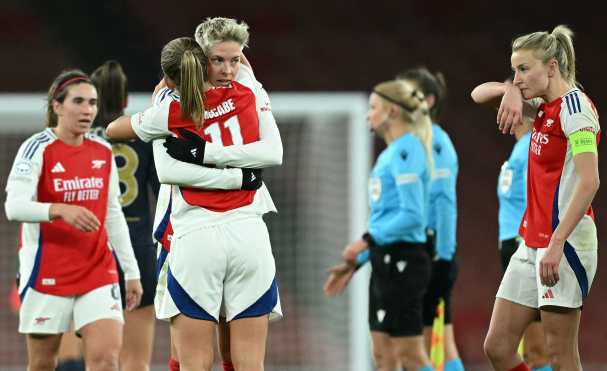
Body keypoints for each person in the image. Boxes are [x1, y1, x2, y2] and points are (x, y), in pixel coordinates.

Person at [106, 31, 282, 371]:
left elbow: (128, 140)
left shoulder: (169, 111)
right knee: (247, 360)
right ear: (206, 63)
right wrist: (239, 176)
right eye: (220, 60)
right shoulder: (249, 93)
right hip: (249, 231)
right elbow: (272, 148)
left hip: (193, 234)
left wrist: (159, 103)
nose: (228, 67)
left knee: (192, 360)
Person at [471, 25, 599, 371]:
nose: (519, 77)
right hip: (531, 241)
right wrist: (510, 89)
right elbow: (477, 94)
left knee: (559, 356)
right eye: (515, 70)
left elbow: (590, 182)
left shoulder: (577, 111)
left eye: (524, 69)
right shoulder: (541, 105)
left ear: (553, 67)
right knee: (497, 346)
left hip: (566, 242)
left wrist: (557, 243)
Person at [4, 69, 142, 371]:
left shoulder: (103, 150)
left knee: (106, 361)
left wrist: (131, 271)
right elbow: (14, 207)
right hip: (47, 271)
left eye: (92, 103)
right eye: (78, 101)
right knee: (43, 363)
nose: (87, 110)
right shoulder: (37, 148)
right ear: (57, 105)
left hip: (98, 269)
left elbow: (113, 215)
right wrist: (58, 209)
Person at [327, 79, 434, 371]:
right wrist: (358, 260)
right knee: (384, 356)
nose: (367, 114)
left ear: (393, 112)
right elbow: (386, 217)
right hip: (384, 260)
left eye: (373, 107)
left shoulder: (407, 151)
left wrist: (366, 240)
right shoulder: (392, 153)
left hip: (405, 261)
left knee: (410, 355)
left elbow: (412, 215)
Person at [90, 60, 160, 371]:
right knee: (136, 361)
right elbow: (163, 196)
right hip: (139, 248)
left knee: (94, 359)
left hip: (90, 250)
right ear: (126, 100)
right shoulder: (144, 137)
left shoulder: (81, 140)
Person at [397, 67, 464, 371]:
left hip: (431, 251)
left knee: (426, 342)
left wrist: (444, 256)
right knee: (432, 340)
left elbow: (444, 202)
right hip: (415, 249)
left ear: (430, 100)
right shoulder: (409, 142)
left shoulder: (437, 143)